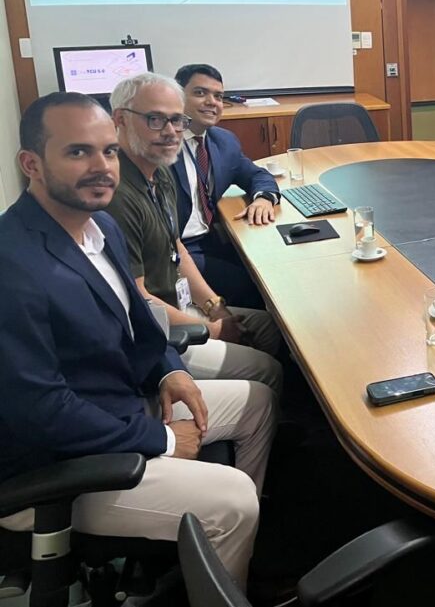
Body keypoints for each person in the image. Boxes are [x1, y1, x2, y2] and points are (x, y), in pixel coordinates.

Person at [0, 92, 275, 588]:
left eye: (108, 151)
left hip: (118, 404)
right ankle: (224, 548)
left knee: (258, 402)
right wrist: (163, 440)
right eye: (78, 152)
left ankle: (221, 552)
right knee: (232, 500)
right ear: (31, 164)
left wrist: (169, 370)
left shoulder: (99, 225)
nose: (102, 167)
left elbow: (138, 319)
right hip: (57, 465)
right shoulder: (12, 262)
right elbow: (40, 412)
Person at [107, 73, 283, 393]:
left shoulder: (158, 171)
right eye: (156, 120)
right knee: (268, 368)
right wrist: (214, 329)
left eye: (176, 121)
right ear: (120, 119)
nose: (170, 131)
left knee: (269, 327)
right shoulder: (115, 194)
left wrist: (216, 308)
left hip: (180, 295)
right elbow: (138, 301)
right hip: (154, 328)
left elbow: (176, 248)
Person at [172, 63, 279, 309]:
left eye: (218, 96)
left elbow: (257, 175)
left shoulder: (223, 141)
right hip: (177, 250)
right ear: (177, 97)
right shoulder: (164, 145)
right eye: (200, 93)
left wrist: (264, 198)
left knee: (273, 269)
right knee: (254, 288)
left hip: (212, 238)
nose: (212, 102)